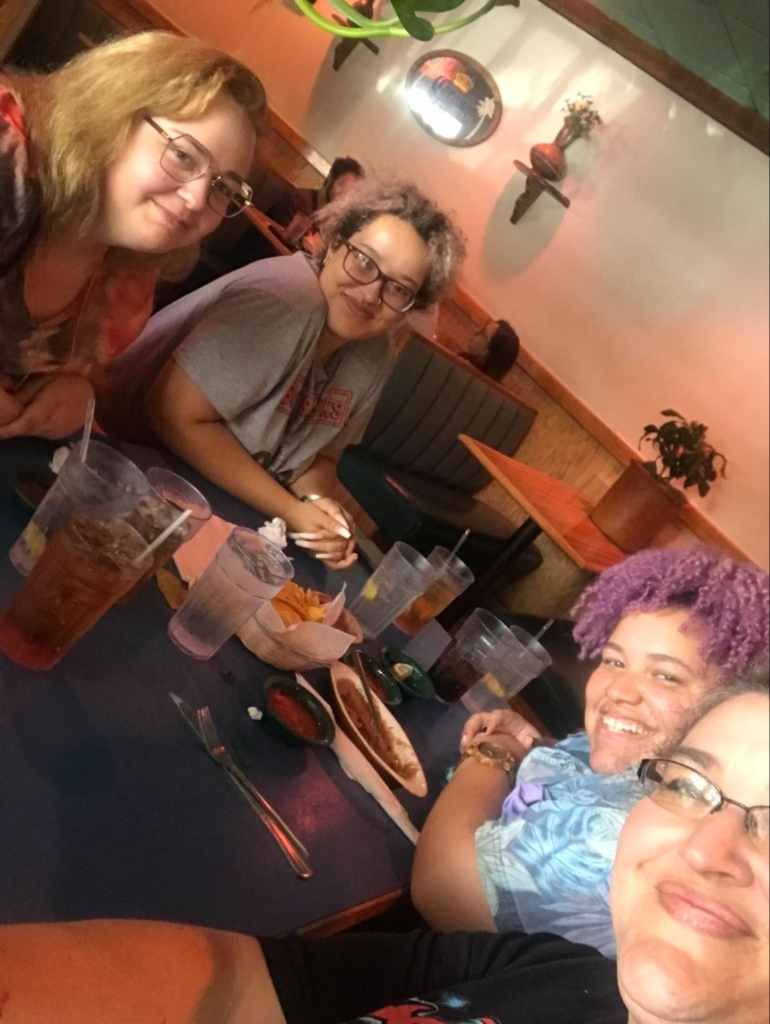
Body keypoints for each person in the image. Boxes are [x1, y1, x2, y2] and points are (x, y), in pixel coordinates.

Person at [1, 678, 766, 1023]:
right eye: (691, 787)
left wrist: (491, 760)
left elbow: (442, 885)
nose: (709, 848)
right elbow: (246, 991)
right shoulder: (561, 973)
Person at [411, 545, 769, 953]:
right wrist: (535, 745)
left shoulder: (624, 838)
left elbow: (439, 885)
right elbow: (580, 766)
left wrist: (497, 752)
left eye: (666, 676)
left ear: (728, 705)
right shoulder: (643, 757)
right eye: (615, 662)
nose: (618, 690)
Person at [95, 179, 465, 570]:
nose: (371, 294)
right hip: (113, 470)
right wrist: (291, 510)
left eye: (398, 289)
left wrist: (319, 510)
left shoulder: (374, 354)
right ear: (334, 243)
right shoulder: (290, 301)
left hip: (196, 506)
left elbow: (320, 456)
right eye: (363, 261)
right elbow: (173, 415)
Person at [0, 31, 264, 441]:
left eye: (222, 188)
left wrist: (77, 393)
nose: (197, 199)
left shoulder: (130, 286)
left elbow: (72, 379)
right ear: (111, 115)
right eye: (182, 155)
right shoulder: (8, 159)